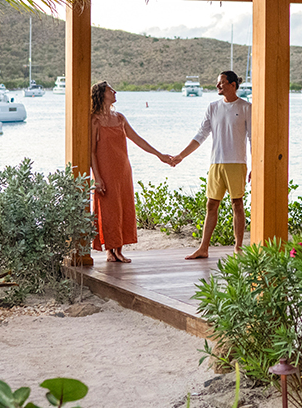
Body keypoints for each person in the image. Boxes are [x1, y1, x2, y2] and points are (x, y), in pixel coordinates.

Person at [90, 81, 173, 263]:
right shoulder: (95, 120)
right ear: (102, 94)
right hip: (105, 170)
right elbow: (92, 152)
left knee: (123, 207)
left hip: (123, 169)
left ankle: (119, 250)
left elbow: (137, 139)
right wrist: (97, 178)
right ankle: (110, 251)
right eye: (110, 90)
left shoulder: (120, 118)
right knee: (109, 209)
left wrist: (159, 155)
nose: (115, 91)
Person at [173, 70, 252, 259]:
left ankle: (238, 247)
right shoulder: (213, 107)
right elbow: (201, 135)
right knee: (211, 205)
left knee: (237, 204)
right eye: (218, 82)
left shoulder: (246, 107)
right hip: (216, 163)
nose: (218, 85)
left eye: (221, 82)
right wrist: (181, 156)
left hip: (236, 163)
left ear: (232, 85)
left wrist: (255, 167)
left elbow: (252, 138)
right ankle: (203, 248)